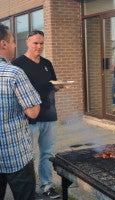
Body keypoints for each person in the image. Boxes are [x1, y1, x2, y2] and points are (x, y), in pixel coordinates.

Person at [12, 30, 63, 199]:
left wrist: (58, 86)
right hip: (28, 119)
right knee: (28, 156)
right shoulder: (17, 64)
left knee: (47, 154)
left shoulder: (47, 63)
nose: (39, 46)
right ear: (27, 42)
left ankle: (47, 186)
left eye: (42, 43)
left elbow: (52, 84)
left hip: (50, 117)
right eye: (35, 43)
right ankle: (29, 191)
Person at [0, 24, 41, 200]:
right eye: (13, 41)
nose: (15, 46)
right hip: (15, 156)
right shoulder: (14, 73)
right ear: (3, 44)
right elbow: (33, 112)